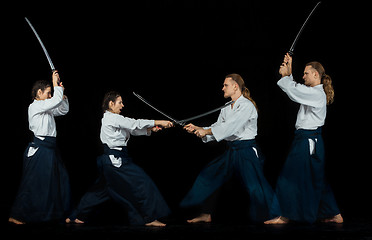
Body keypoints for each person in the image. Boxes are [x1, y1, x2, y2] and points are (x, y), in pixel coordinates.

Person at [180, 73, 281, 223]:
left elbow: (230, 127)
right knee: (210, 175)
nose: (222, 88)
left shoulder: (247, 105)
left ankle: (277, 215)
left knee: (255, 185)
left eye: (225, 85)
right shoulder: (227, 107)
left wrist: (205, 131)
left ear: (235, 86)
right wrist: (198, 129)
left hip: (246, 150)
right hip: (232, 150)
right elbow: (218, 127)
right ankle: (206, 213)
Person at [66, 91, 173, 227]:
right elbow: (134, 123)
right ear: (111, 104)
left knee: (100, 191)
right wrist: (159, 121)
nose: (122, 105)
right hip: (115, 162)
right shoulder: (111, 118)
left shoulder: (114, 119)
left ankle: (77, 215)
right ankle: (150, 218)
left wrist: (150, 129)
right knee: (142, 182)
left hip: (112, 162)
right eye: (120, 102)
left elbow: (132, 130)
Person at [264, 53, 343, 224]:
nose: (303, 75)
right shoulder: (313, 92)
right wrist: (289, 71)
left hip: (307, 141)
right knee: (317, 178)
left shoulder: (316, 93)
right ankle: (334, 214)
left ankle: (284, 215)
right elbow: (297, 89)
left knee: (288, 176)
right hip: (310, 141)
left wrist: (286, 75)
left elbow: (294, 91)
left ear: (316, 74)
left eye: (306, 73)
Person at [9, 71, 70, 224]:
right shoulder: (35, 107)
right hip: (40, 149)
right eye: (48, 93)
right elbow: (54, 101)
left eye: (51, 93)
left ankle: (58, 214)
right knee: (32, 184)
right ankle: (17, 215)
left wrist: (62, 96)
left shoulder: (47, 107)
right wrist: (56, 85)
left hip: (51, 149)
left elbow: (63, 110)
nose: (50, 96)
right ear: (39, 92)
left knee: (59, 180)